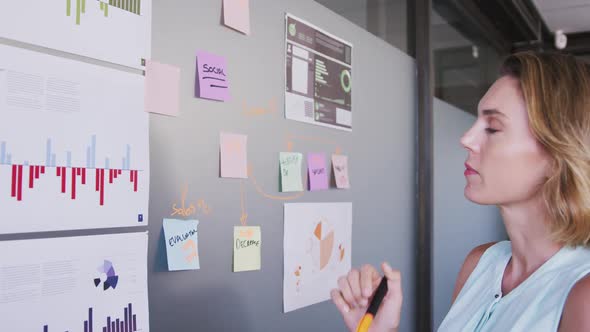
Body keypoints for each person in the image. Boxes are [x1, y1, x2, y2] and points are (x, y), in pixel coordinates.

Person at [331, 52, 590, 332]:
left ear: (556, 154)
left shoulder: (582, 297)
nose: (466, 139)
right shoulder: (480, 263)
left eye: (492, 128)